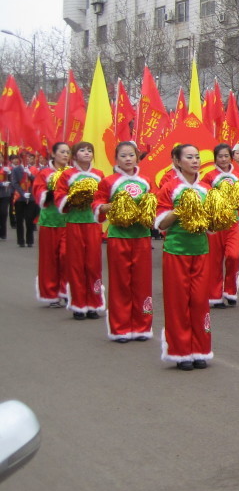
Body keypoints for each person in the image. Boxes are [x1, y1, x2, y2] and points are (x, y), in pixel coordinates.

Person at [153, 144, 213, 370]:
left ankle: (200, 349)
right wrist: (179, 210)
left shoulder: (206, 188)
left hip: (201, 250)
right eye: (189, 157)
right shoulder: (169, 187)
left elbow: (212, 225)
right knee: (178, 303)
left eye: (197, 156)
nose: (195, 161)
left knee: (199, 301)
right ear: (177, 161)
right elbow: (160, 223)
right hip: (176, 251)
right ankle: (180, 352)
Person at [94, 142, 155, 342]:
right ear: (116, 159)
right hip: (119, 237)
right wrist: (109, 207)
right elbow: (98, 202)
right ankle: (120, 327)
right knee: (120, 283)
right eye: (123, 155)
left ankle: (142, 326)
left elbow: (154, 202)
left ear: (137, 157)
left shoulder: (146, 180)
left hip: (142, 237)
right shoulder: (109, 181)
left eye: (131, 155)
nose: (128, 159)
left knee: (142, 282)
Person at [54, 142, 106, 320]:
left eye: (89, 150)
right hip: (74, 224)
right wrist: (73, 197)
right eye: (82, 150)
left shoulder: (99, 175)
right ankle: (78, 304)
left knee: (93, 265)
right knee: (75, 265)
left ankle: (94, 303)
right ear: (74, 156)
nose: (86, 153)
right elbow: (59, 196)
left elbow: (103, 198)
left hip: (92, 225)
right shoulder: (67, 174)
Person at [202, 144, 239, 308]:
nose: (223, 159)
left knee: (233, 256)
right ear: (215, 158)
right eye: (220, 156)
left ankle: (231, 291)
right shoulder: (209, 177)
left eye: (226, 156)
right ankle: (216, 295)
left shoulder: (238, 175)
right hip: (215, 225)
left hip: (232, 223)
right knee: (215, 260)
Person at [32, 143, 71, 306]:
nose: (65, 155)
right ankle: (50, 294)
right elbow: (38, 193)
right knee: (49, 259)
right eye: (62, 152)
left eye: (68, 152)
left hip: (68, 221)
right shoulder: (45, 173)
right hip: (49, 221)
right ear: (54, 154)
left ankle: (66, 290)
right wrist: (52, 191)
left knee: (66, 256)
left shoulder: (72, 173)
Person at [10, 153, 37, 248]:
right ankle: (21, 241)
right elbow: (14, 183)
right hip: (20, 198)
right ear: (21, 158)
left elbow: (37, 181)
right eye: (26, 157)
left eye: (29, 157)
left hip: (31, 197)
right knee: (19, 220)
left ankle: (30, 240)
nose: (28, 159)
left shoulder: (33, 169)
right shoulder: (16, 169)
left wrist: (30, 174)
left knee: (30, 219)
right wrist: (22, 193)